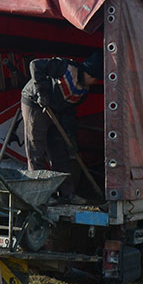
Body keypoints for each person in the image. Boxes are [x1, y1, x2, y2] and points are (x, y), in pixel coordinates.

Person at [20, 51, 102, 201]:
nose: (95, 82)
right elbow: (35, 65)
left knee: (60, 151)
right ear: (88, 73)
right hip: (35, 103)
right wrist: (42, 92)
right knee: (36, 147)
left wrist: (69, 138)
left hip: (57, 110)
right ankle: (41, 194)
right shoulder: (65, 67)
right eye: (95, 78)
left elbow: (69, 114)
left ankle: (66, 193)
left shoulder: (82, 92)